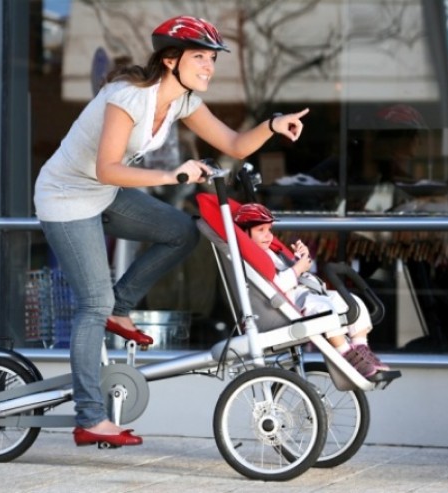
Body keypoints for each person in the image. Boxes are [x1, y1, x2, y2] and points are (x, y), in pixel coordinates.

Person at [33, 15, 309, 448]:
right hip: (66, 198)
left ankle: (119, 306)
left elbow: (234, 144)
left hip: (104, 193)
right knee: (92, 303)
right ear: (170, 58)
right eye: (200, 57)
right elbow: (108, 167)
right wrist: (175, 176)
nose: (208, 67)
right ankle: (90, 417)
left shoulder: (181, 102)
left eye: (212, 59)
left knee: (182, 232)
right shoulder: (128, 97)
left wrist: (272, 125)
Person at [232, 202, 390, 378]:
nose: (268, 236)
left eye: (269, 230)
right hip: (283, 307)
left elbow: (291, 274)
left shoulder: (268, 252)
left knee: (352, 301)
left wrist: (299, 260)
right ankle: (347, 354)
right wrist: (297, 269)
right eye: (260, 230)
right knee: (325, 310)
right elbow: (274, 287)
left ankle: (361, 348)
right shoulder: (248, 260)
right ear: (244, 232)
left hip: (301, 295)